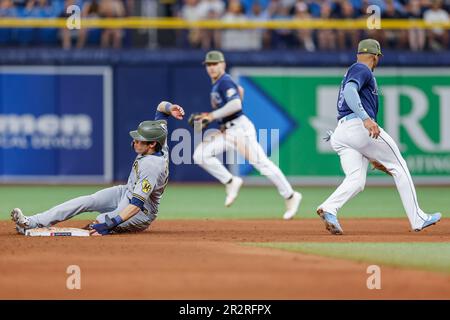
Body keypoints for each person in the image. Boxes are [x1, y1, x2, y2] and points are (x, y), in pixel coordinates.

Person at [316, 39, 442, 235]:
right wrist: (365, 119)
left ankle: (329, 208)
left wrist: (372, 154)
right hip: (358, 127)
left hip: (342, 133)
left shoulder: (354, 69)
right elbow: (350, 91)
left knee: (356, 179)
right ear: (375, 57)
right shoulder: (362, 69)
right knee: (399, 166)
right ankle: (418, 218)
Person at [11, 101, 185, 236]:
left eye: (140, 140)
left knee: (99, 223)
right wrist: (171, 108)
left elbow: (136, 205)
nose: (135, 142)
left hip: (142, 211)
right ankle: (32, 222)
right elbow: (161, 108)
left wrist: (110, 224)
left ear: (152, 144)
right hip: (126, 191)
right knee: (87, 201)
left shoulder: (151, 166)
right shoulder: (160, 139)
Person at [192, 50, 302, 220]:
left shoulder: (224, 81)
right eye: (209, 65)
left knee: (262, 164)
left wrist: (212, 116)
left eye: (215, 64)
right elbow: (240, 92)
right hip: (228, 131)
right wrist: (213, 119)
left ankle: (291, 196)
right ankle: (230, 181)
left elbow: (235, 104)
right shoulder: (218, 84)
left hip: (240, 130)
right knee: (200, 155)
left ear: (223, 64)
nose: (212, 67)